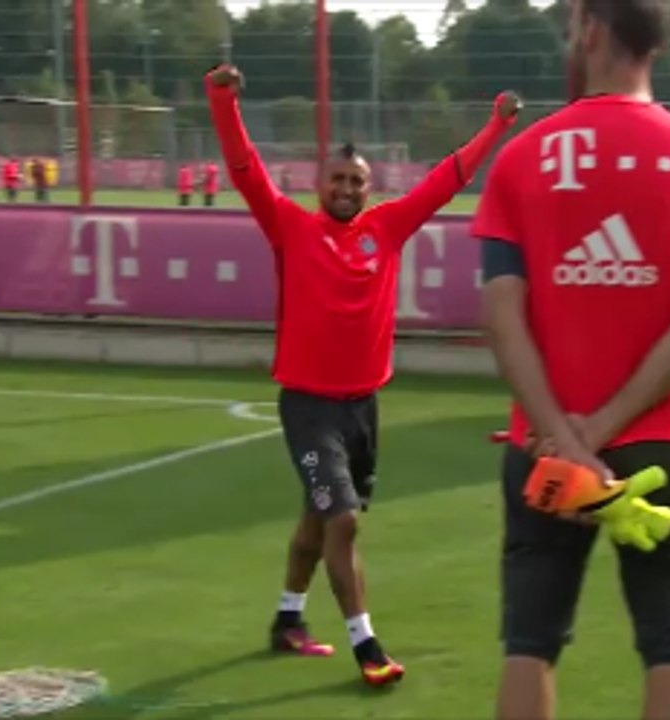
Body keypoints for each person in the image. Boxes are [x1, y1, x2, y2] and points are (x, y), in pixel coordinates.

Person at [471, 1, 670, 718]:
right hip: (665, 445)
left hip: (542, 448)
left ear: (591, 30)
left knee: (528, 642)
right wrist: (605, 429)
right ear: (656, 44)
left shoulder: (522, 157)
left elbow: (502, 316)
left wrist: (568, 442)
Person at [205, 63, 520, 687]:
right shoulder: (290, 228)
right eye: (338, 179)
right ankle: (367, 645)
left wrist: (496, 125)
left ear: (369, 189)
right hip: (308, 408)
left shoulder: (388, 228)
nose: (347, 188)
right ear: (318, 184)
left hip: (362, 409)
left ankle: (286, 621)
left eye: (357, 181)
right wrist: (222, 101)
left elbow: (445, 180)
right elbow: (243, 170)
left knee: (316, 523)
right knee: (342, 520)